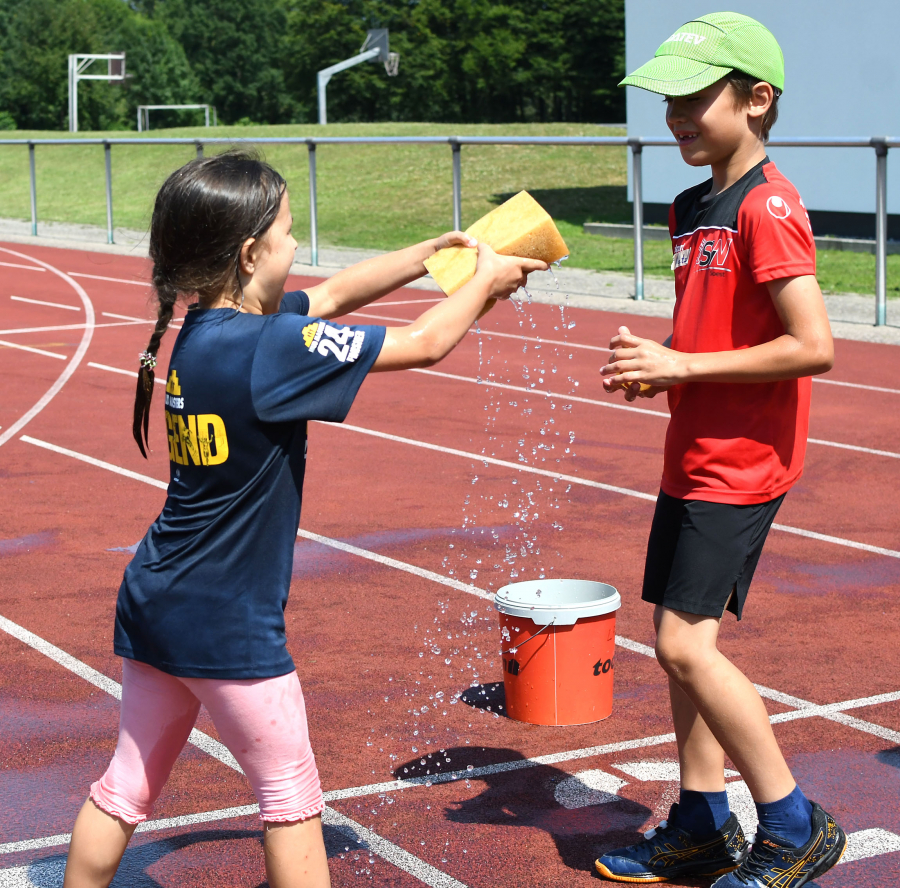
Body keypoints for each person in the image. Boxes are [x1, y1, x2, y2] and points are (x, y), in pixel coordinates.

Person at [62, 151, 548, 888]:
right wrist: (483, 281)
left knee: (125, 787)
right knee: (291, 800)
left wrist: (429, 256)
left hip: (158, 599)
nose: (298, 246)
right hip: (229, 624)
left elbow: (330, 296)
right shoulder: (267, 348)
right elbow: (425, 344)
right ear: (252, 252)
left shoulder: (212, 330)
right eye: (289, 232)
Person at [595, 13, 845, 887]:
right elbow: (714, 328)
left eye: (695, 98)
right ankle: (701, 821)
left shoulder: (769, 205)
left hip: (741, 459)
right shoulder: (692, 206)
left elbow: (812, 343)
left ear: (758, 98)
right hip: (693, 448)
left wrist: (685, 364)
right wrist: (663, 371)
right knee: (674, 642)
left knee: (683, 646)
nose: (676, 116)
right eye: (668, 100)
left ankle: (792, 823)